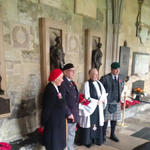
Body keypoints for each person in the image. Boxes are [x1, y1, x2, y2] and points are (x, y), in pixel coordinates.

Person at [77, 68, 107, 147]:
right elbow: (86, 98)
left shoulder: (99, 83)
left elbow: (103, 93)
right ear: (89, 74)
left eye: (96, 74)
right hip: (91, 108)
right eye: (93, 74)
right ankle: (88, 141)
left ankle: (97, 139)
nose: (95, 76)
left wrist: (103, 99)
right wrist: (96, 102)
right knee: (90, 123)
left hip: (99, 107)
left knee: (98, 122)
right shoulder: (86, 84)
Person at [41, 69, 66, 150]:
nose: (62, 80)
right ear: (56, 78)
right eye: (61, 78)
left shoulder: (55, 87)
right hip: (53, 122)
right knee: (53, 144)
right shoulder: (50, 89)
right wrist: (43, 122)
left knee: (57, 143)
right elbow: (47, 108)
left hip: (57, 121)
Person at [100, 62, 124, 142]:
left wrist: (118, 96)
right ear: (111, 69)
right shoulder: (105, 78)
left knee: (114, 119)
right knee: (106, 119)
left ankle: (112, 134)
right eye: (115, 69)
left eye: (118, 69)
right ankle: (103, 135)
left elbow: (122, 87)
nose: (117, 71)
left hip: (116, 101)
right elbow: (101, 89)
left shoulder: (121, 77)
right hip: (108, 102)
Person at [60, 63, 79, 150]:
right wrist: (68, 113)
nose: (73, 73)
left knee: (72, 133)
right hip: (68, 114)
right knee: (68, 134)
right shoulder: (63, 83)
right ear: (65, 72)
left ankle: (70, 148)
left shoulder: (71, 82)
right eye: (72, 71)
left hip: (74, 112)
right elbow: (62, 101)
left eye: (74, 71)